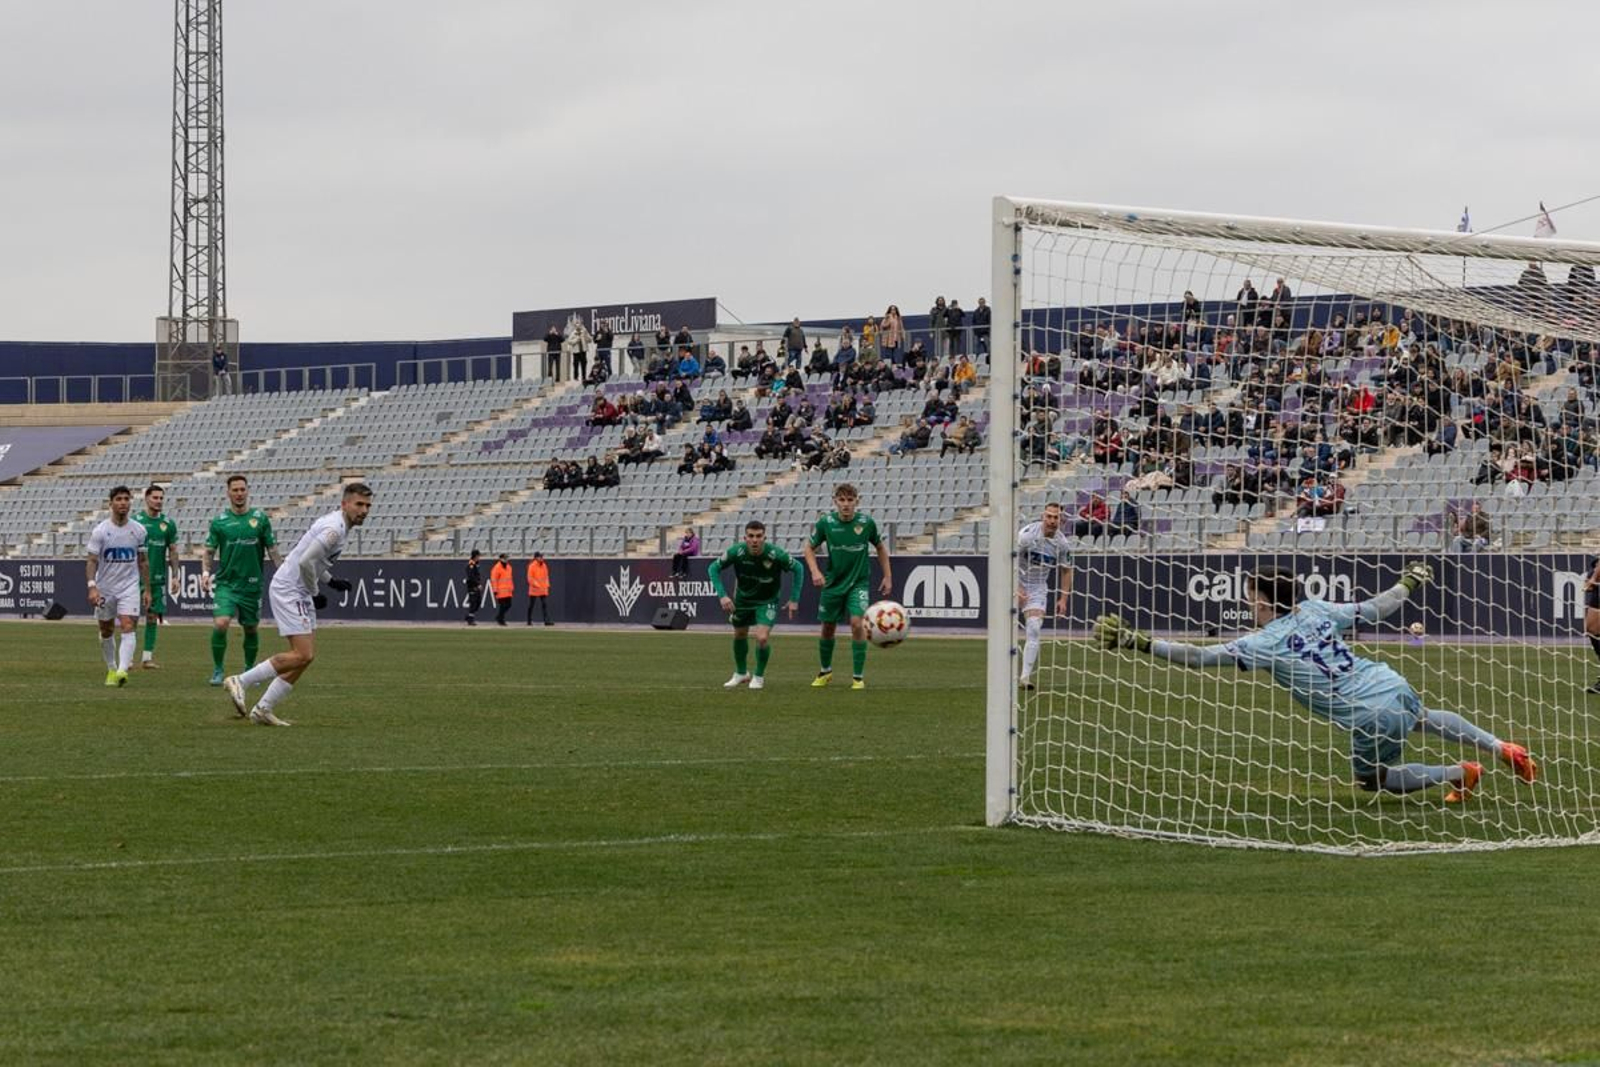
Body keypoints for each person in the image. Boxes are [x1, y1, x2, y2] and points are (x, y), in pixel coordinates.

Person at [1093, 565, 1538, 800]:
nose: (1249, 604)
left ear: (1266, 603)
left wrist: (1140, 642)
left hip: (1369, 714)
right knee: (1421, 717)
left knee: (1371, 780)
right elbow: (1377, 608)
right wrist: (1408, 582)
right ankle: (1502, 747)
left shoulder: (1263, 642)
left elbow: (1198, 658)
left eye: (1251, 598)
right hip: (1389, 680)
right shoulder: (1317, 609)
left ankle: (1461, 773)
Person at [224, 483, 371, 726]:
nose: (364, 510)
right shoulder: (334, 529)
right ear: (345, 504)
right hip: (290, 589)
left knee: (305, 657)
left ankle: (263, 710)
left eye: (367, 505)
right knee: (301, 654)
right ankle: (241, 680)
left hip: (298, 588)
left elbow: (313, 561)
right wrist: (315, 592)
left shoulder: (340, 526)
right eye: (359, 504)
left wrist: (331, 581)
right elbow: (304, 562)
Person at [803, 483, 893, 689]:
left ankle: (858, 677)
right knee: (828, 627)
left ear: (857, 502)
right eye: (842, 500)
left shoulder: (866, 523)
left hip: (858, 583)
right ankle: (825, 671)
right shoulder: (826, 523)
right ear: (835, 501)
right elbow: (809, 548)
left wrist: (888, 576)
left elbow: (880, 547)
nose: (846, 504)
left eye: (850, 500)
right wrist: (815, 571)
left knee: (856, 623)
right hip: (833, 583)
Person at [201, 474, 281, 685]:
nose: (239, 493)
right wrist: (206, 574)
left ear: (247, 491)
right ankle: (218, 670)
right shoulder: (219, 522)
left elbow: (272, 549)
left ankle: (249, 671)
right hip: (226, 584)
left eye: (242, 489)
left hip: (252, 585)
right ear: (228, 493)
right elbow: (209, 551)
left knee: (251, 628)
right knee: (221, 623)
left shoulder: (260, 519)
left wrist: (283, 572)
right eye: (234, 490)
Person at [708, 520, 805, 690]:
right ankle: (741, 673)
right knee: (739, 634)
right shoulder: (736, 552)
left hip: (767, 601)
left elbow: (798, 568)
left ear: (764, 537)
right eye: (751, 536)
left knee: (761, 638)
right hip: (743, 600)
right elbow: (713, 568)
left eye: (758, 536)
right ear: (745, 538)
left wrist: (794, 599)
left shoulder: (775, 554)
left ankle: (758, 676)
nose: (754, 540)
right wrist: (722, 596)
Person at [86, 486, 150, 687]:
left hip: (129, 586)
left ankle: (123, 671)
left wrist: (147, 588)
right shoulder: (101, 531)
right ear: (111, 503)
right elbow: (92, 561)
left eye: (126, 499)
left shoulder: (139, 530)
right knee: (106, 630)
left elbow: (143, 561)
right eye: (119, 499)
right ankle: (112, 668)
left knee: (128, 624)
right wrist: (92, 587)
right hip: (106, 587)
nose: (123, 502)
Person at [1016, 503, 1074, 690]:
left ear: (1060, 520)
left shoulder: (1062, 544)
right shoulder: (1027, 536)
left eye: (1055, 517)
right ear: (1043, 516)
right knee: (1002, 629)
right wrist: (1016, 585)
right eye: (1049, 516)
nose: (1052, 521)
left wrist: (1063, 599)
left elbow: (1066, 571)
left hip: (1037, 587)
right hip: (1014, 580)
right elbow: (1009, 560)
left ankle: (1024, 677)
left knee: (1034, 627)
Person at [133, 483, 181, 669]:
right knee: (131, 617)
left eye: (161, 498)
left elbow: (174, 551)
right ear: (146, 499)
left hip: (158, 579)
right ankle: (127, 657)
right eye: (155, 497)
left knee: (152, 616)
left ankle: (146, 658)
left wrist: (175, 576)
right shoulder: (136, 523)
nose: (158, 501)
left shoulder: (168, 524)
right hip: (135, 578)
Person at [525, 551, 552, 626]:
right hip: (534, 589)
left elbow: (546, 576)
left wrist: (547, 585)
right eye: (540, 557)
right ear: (536, 558)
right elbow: (530, 578)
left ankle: (546, 621)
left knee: (544, 605)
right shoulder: (532, 566)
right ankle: (529, 620)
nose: (541, 558)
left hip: (542, 589)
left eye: (542, 557)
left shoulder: (544, 565)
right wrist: (537, 585)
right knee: (531, 605)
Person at [490, 553, 515, 625]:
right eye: (505, 558)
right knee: (502, 606)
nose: (507, 560)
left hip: (507, 590)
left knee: (508, 605)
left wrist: (512, 587)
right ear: (501, 559)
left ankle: (499, 617)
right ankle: (501, 619)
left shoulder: (509, 567)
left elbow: (510, 578)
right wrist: (495, 590)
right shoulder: (496, 568)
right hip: (500, 590)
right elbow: (494, 579)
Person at [464, 549, 484, 625]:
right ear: (475, 556)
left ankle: (469, 616)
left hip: (476, 586)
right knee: (473, 603)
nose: (479, 557)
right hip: (472, 586)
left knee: (478, 602)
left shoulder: (476, 564)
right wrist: (477, 584)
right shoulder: (471, 564)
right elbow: (471, 576)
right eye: (478, 556)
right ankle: (470, 620)